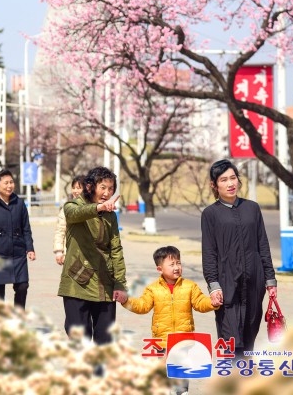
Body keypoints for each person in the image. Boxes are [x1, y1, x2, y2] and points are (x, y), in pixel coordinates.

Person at [201, 159, 277, 358]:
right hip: (227, 283)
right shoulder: (210, 214)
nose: (230, 183)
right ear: (214, 185)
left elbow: (263, 245)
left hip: (254, 281)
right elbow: (209, 252)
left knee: (250, 331)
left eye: (233, 178)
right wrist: (213, 285)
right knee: (230, 335)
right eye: (224, 179)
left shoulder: (252, 208)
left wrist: (270, 280)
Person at [121, 245, 217, 395]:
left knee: (181, 376)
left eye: (178, 263)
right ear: (160, 269)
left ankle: (182, 392)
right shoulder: (153, 289)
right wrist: (126, 301)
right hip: (162, 342)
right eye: (171, 264)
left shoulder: (189, 286)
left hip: (183, 341)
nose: (177, 267)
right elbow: (142, 306)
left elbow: (200, 303)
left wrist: (212, 303)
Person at [58, 166, 127, 345]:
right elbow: (75, 214)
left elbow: (116, 250)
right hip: (77, 281)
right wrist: (98, 208)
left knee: (105, 338)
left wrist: (120, 283)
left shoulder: (110, 216)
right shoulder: (73, 206)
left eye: (111, 188)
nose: (107, 192)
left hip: (105, 284)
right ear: (90, 187)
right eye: (103, 187)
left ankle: (100, 373)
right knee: (79, 336)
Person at [0, 169, 36, 309]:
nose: (9, 186)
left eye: (11, 182)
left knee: (23, 286)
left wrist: (30, 248)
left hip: (18, 253)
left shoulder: (20, 203)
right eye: (6, 183)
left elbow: (26, 228)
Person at [53, 174, 85, 265]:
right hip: (70, 253)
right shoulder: (67, 208)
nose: (75, 191)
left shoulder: (92, 207)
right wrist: (59, 251)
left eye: (79, 188)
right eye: (73, 188)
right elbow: (60, 230)